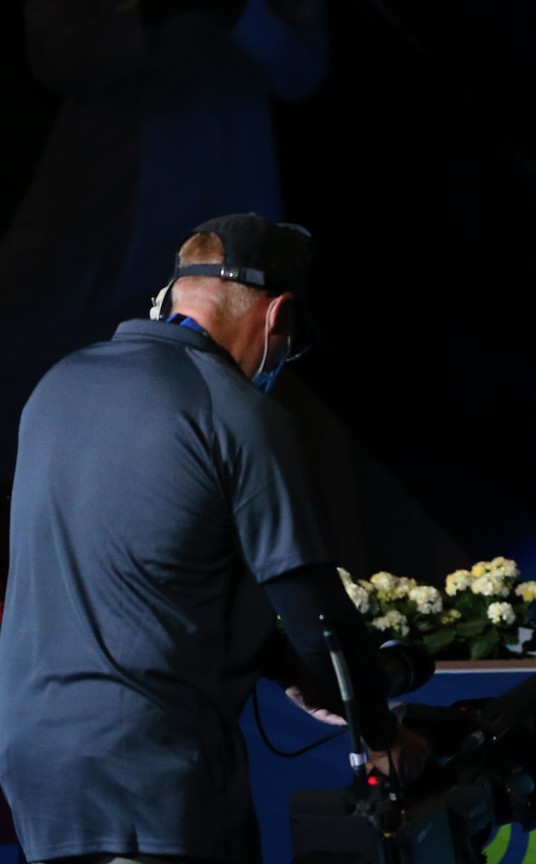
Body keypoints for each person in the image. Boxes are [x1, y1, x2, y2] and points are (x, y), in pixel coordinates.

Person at [0, 213, 429, 864]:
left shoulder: (55, 388)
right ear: (278, 316)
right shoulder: (237, 411)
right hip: (155, 783)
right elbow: (319, 620)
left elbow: (141, 578)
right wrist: (381, 734)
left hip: (39, 780)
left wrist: (278, 662)